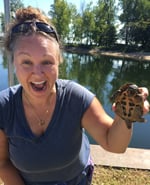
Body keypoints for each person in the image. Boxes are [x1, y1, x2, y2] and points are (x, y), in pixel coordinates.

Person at [0, 6, 149, 185]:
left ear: (59, 62)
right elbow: (2, 162)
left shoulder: (76, 98)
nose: (38, 73)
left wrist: (125, 118)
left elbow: (115, 145)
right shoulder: (4, 107)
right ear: (13, 61)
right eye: (26, 62)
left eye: (47, 61)